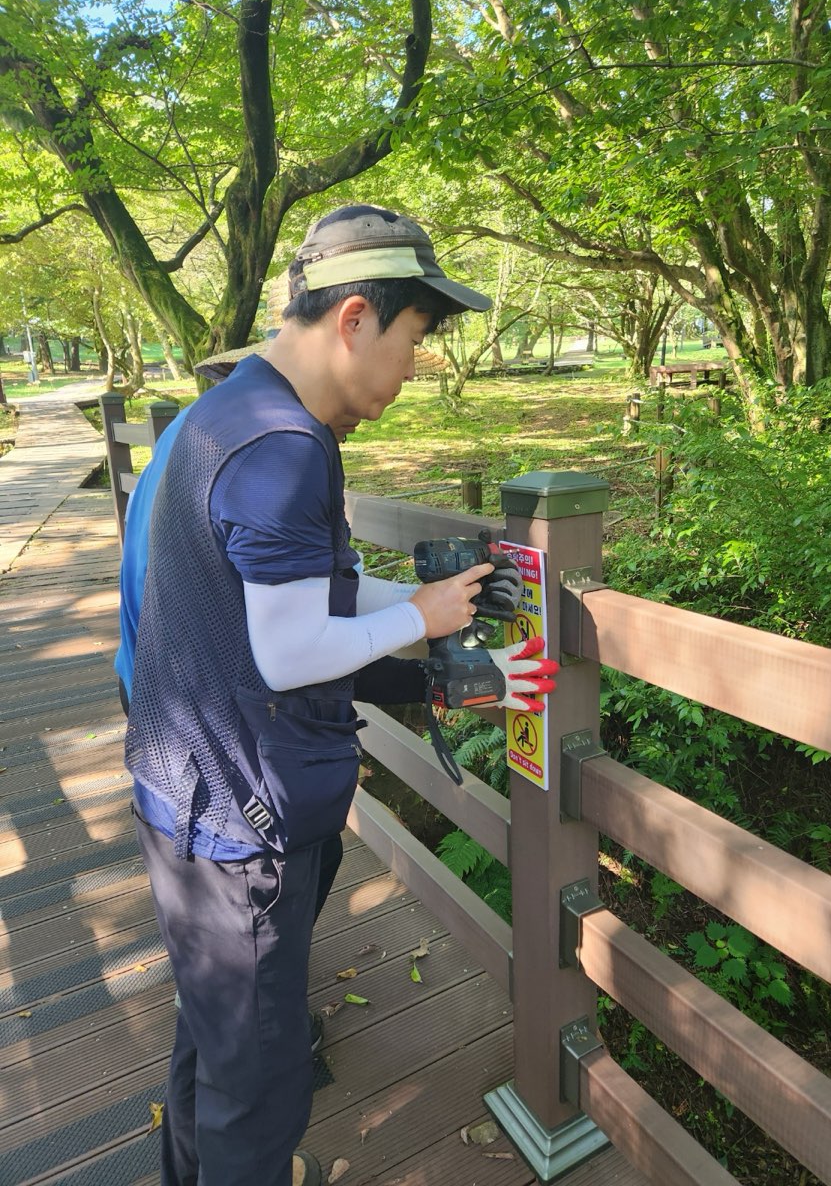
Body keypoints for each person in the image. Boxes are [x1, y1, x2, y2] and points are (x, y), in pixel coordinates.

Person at [123, 204, 558, 1186]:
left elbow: (294, 598)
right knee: (260, 1088)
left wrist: (430, 599)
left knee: (216, 1047)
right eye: (411, 344)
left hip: (189, 800)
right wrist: (427, 622)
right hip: (245, 831)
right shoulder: (286, 447)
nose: (410, 374)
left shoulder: (230, 412)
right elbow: (290, 649)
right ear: (356, 317)